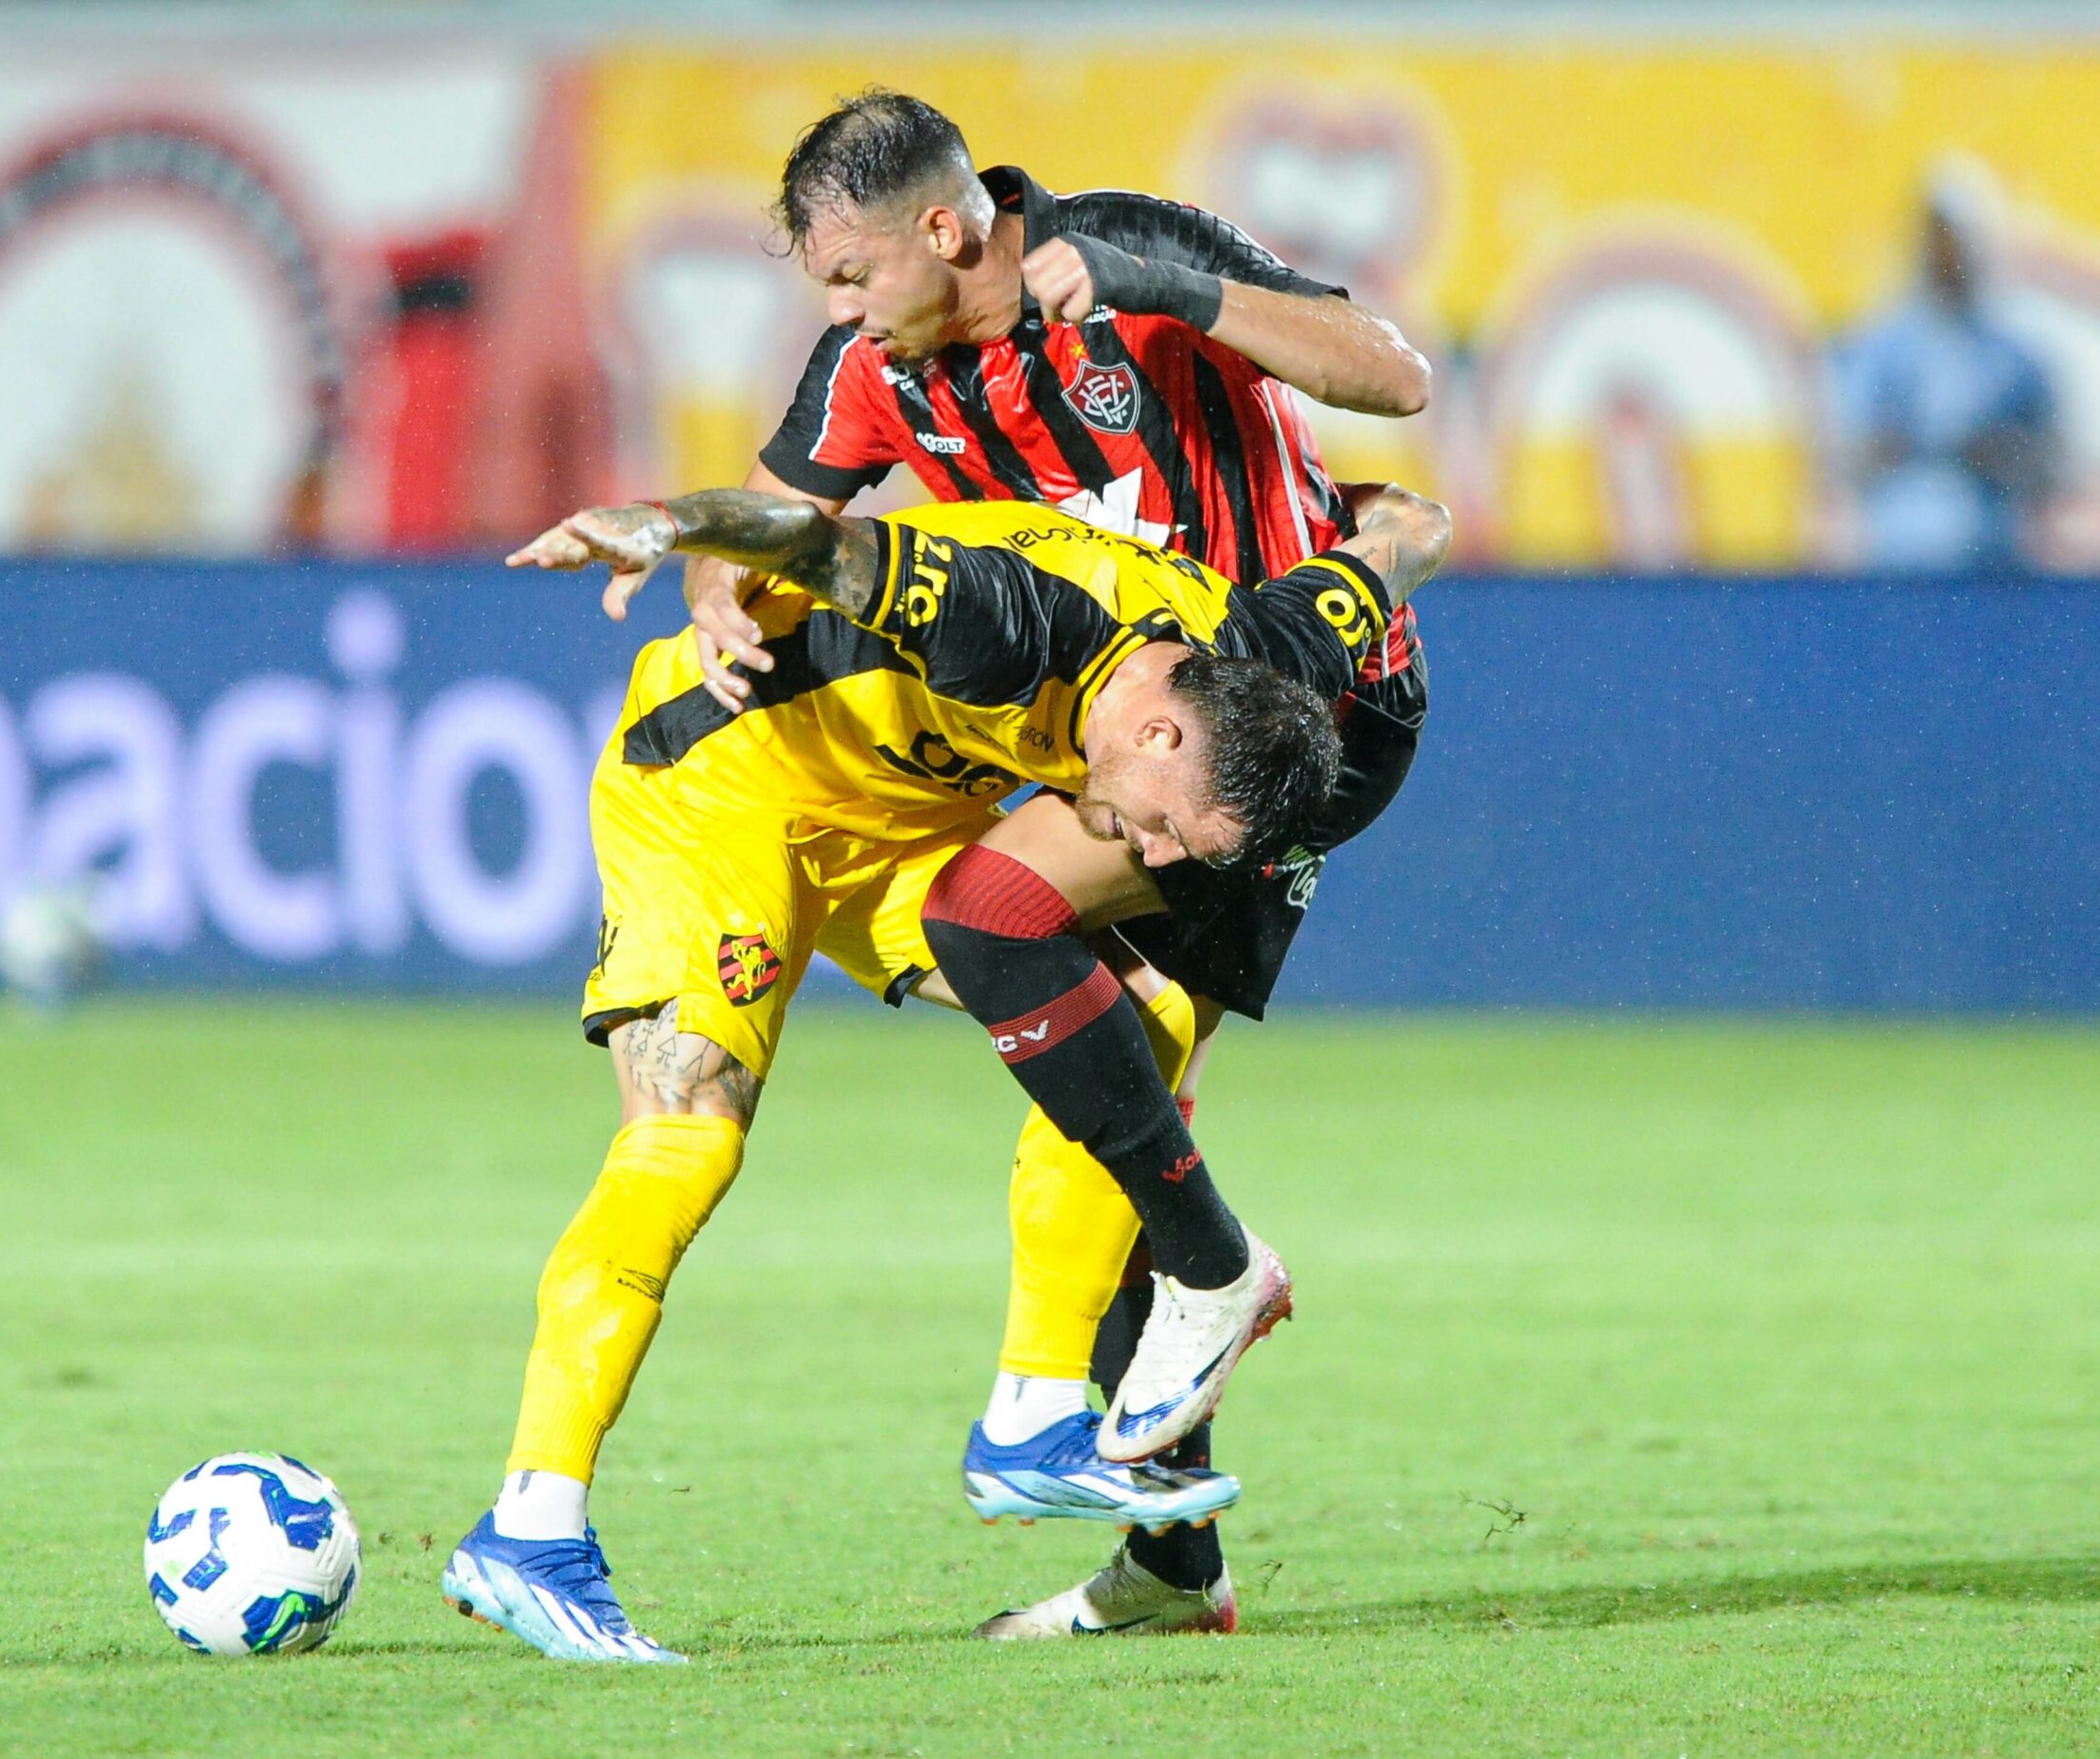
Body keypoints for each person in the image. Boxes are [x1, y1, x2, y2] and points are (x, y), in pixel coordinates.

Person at [631, 89, 1436, 1638]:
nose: (842, 311)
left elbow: (1391, 379)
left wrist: (1180, 296)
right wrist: (728, 591)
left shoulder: (1123, 252)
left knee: (1010, 935)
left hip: (1289, 698)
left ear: (946, 228)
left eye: (855, 273)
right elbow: (778, 528)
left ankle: (1155, 1327)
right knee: (1107, 1083)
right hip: (1133, 741)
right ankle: (1167, 1542)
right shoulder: (871, 367)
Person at [442, 482, 1450, 1662]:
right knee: (689, 1133)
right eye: (1175, 827)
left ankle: (1032, 1410)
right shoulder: (1006, 620)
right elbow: (817, 540)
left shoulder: (1254, 648)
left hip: (894, 827)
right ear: (1163, 735)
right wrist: (674, 528)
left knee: (1140, 1013)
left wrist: (1386, 531)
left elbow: (1407, 534)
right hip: (720, 789)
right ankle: (529, 1525)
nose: (1159, 856)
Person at [1838, 161, 2059, 572]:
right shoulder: (1879, 352)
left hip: (1995, 567)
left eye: (1954, 241)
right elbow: (1844, 461)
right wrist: (1900, 450)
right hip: (1897, 563)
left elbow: (2052, 467)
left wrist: (1999, 455)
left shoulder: (2017, 360)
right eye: (1937, 241)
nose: (1945, 256)